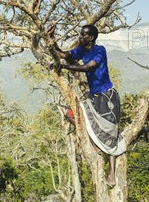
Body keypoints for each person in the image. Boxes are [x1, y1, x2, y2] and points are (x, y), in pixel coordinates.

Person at [49, 24, 126, 187]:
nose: (80, 37)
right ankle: (94, 143)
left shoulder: (100, 50)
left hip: (107, 96)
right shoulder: (82, 50)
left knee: (111, 133)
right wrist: (52, 41)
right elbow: (64, 54)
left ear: (91, 37)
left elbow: (88, 67)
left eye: (83, 35)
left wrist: (63, 66)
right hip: (94, 96)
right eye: (80, 34)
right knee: (72, 114)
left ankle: (112, 174)